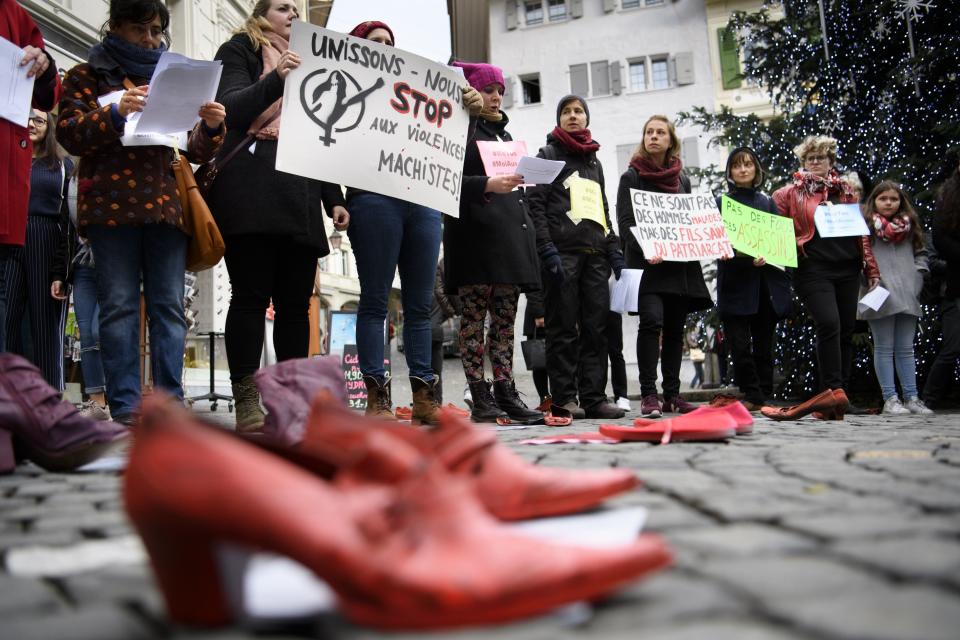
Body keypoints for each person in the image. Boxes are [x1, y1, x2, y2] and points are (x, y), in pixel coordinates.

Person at [56, 0, 226, 425]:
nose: (149, 39)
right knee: (118, 308)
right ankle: (127, 406)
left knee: (169, 308)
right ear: (115, 27)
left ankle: (170, 405)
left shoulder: (175, 78)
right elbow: (70, 133)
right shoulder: (86, 75)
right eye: (140, 30)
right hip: (110, 210)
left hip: (167, 208)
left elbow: (195, 152)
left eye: (155, 31)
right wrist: (115, 111)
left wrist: (209, 127)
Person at [321, 20, 483, 424]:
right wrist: (334, 199)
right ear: (359, 49)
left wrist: (471, 114)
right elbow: (321, 143)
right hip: (373, 201)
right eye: (375, 42)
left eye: (390, 42)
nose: (386, 47)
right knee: (375, 302)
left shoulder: (420, 93)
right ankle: (377, 398)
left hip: (423, 202)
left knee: (419, 304)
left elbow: (450, 145)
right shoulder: (349, 89)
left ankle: (424, 395)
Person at [208, 0, 346, 431]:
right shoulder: (238, 50)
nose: (293, 14)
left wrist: (333, 197)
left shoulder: (315, 62)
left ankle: (291, 396)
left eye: (297, 8)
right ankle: (246, 394)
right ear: (260, 13)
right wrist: (276, 79)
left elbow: (320, 131)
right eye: (283, 6)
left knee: (294, 305)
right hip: (251, 190)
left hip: (300, 192)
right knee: (249, 297)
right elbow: (231, 106)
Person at [443, 60, 543, 425]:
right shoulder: (457, 130)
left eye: (500, 91)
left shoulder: (505, 137)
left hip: (508, 242)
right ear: (471, 92)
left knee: (503, 324)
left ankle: (506, 392)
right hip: (473, 239)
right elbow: (445, 179)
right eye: (488, 89)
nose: (496, 96)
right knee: (472, 322)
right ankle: (480, 395)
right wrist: (486, 184)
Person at [526, 95, 625, 420]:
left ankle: (594, 397)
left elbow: (603, 209)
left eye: (578, 111)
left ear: (586, 118)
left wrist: (614, 251)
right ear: (559, 119)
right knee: (563, 329)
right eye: (566, 111)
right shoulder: (546, 155)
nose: (573, 116)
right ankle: (565, 398)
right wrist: (546, 247)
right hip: (562, 256)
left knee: (597, 330)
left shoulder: (594, 163)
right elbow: (534, 205)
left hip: (595, 257)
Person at [769, 135, 880, 420]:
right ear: (803, 162)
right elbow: (777, 231)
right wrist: (770, 253)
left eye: (821, 157)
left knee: (844, 329)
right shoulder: (788, 194)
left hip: (847, 268)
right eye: (810, 158)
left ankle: (840, 396)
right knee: (828, 324)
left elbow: (862, 237)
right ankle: (829, 393)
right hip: (813, 269)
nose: (815, 162)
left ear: (831, 161)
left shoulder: (846, 192)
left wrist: (871, 270)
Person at [617, 115, 712, 419]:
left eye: (660, 132)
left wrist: (709, 241)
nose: (654, 136)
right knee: (652, 322)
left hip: (677, 266)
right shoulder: (631, 177)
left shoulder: (681, 179)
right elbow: (626, 222)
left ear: (670, 140)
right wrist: (647, 246)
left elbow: (688, 220)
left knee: (674, 331)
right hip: (647, 266)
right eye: (649, 132)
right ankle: (649, 395)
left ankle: (672, 395)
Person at [1, 0, 61, 353]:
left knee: (27, 320)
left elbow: (47, 92)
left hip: (26, 223)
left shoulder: (15, 15)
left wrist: (45, 65)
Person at [714, 147, 793, 411]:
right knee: (739, 345)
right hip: (735, 283)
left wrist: (768, 255)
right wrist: (728, 252)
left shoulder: (766, 202)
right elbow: (715, 241)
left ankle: (765, 394)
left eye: (748, 164)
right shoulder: (722, 203)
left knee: (763, 344)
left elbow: (778, 240)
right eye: (737, 165)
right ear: (730, 172)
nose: (743, 169)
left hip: (762, 284)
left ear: (756, 170)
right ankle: (752, 392)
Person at [3, 110, 70, 390]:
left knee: (44, 322)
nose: (32, 124)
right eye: (27, 118)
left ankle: (48, 396)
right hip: (9, 238)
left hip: (46, 235)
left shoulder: (61, 164)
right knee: (6, 319)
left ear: (49, 126)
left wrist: (61, 269)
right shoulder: (9, 159)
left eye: (39, 120)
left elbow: (68, 218)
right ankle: (10, 393)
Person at [857, 182, 932, 414]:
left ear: (901, 201)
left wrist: (918, 276)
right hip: (879, 294)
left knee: (906, 348)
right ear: (874, 201)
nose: (889, 203)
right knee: (883, 347)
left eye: (893, 199)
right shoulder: (866, 228)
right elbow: (859, 258)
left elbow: (921, 254)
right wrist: (867, 278)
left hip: (907, 294)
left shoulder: (909, 227)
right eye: (883, 199)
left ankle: (912, 397)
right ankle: (890, 398)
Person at [50, 161, 110, 420]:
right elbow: (66, 233)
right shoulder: (73, 179)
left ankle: (114, 396)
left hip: (113, 263)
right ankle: (97, 401)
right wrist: (59, 275)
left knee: (101, 330)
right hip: (83, 265)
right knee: (86, 334)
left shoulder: (115, 171)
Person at [923, 159, 960, 408]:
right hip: (957, 282)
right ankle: (930, 399)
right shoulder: (950, 196)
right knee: (953, 346)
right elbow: (940, 236)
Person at [522, 288, 550, 404]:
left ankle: (558, 398)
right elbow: (532, 288)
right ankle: (545, 398)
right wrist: (539, 313)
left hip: (557, 311)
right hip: (539, 316)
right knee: (540, 362)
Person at [607, 311, 630, 411]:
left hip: (613, 304)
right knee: (595, 351)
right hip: (590, 304)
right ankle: (596, 395)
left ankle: (622, 396)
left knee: (616, 351)